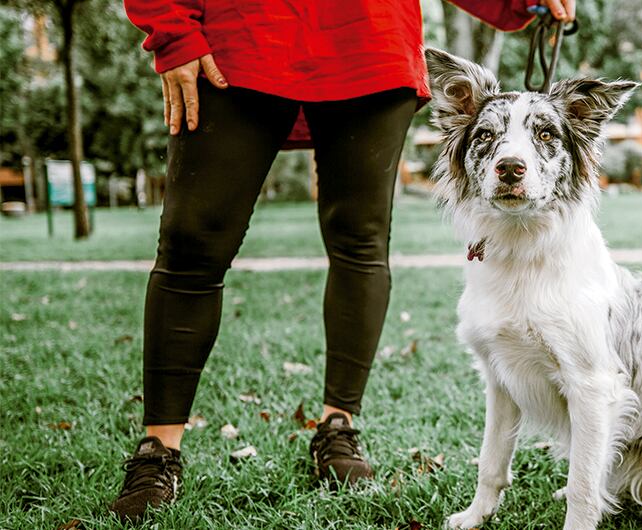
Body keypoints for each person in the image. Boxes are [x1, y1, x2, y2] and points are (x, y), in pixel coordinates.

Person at [111, 0, 576, 520]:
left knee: (360, 242)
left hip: (369, 41)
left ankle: (339, 427)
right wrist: (173, 30)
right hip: (239, 35)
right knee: (192, 241)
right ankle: (159, 449)